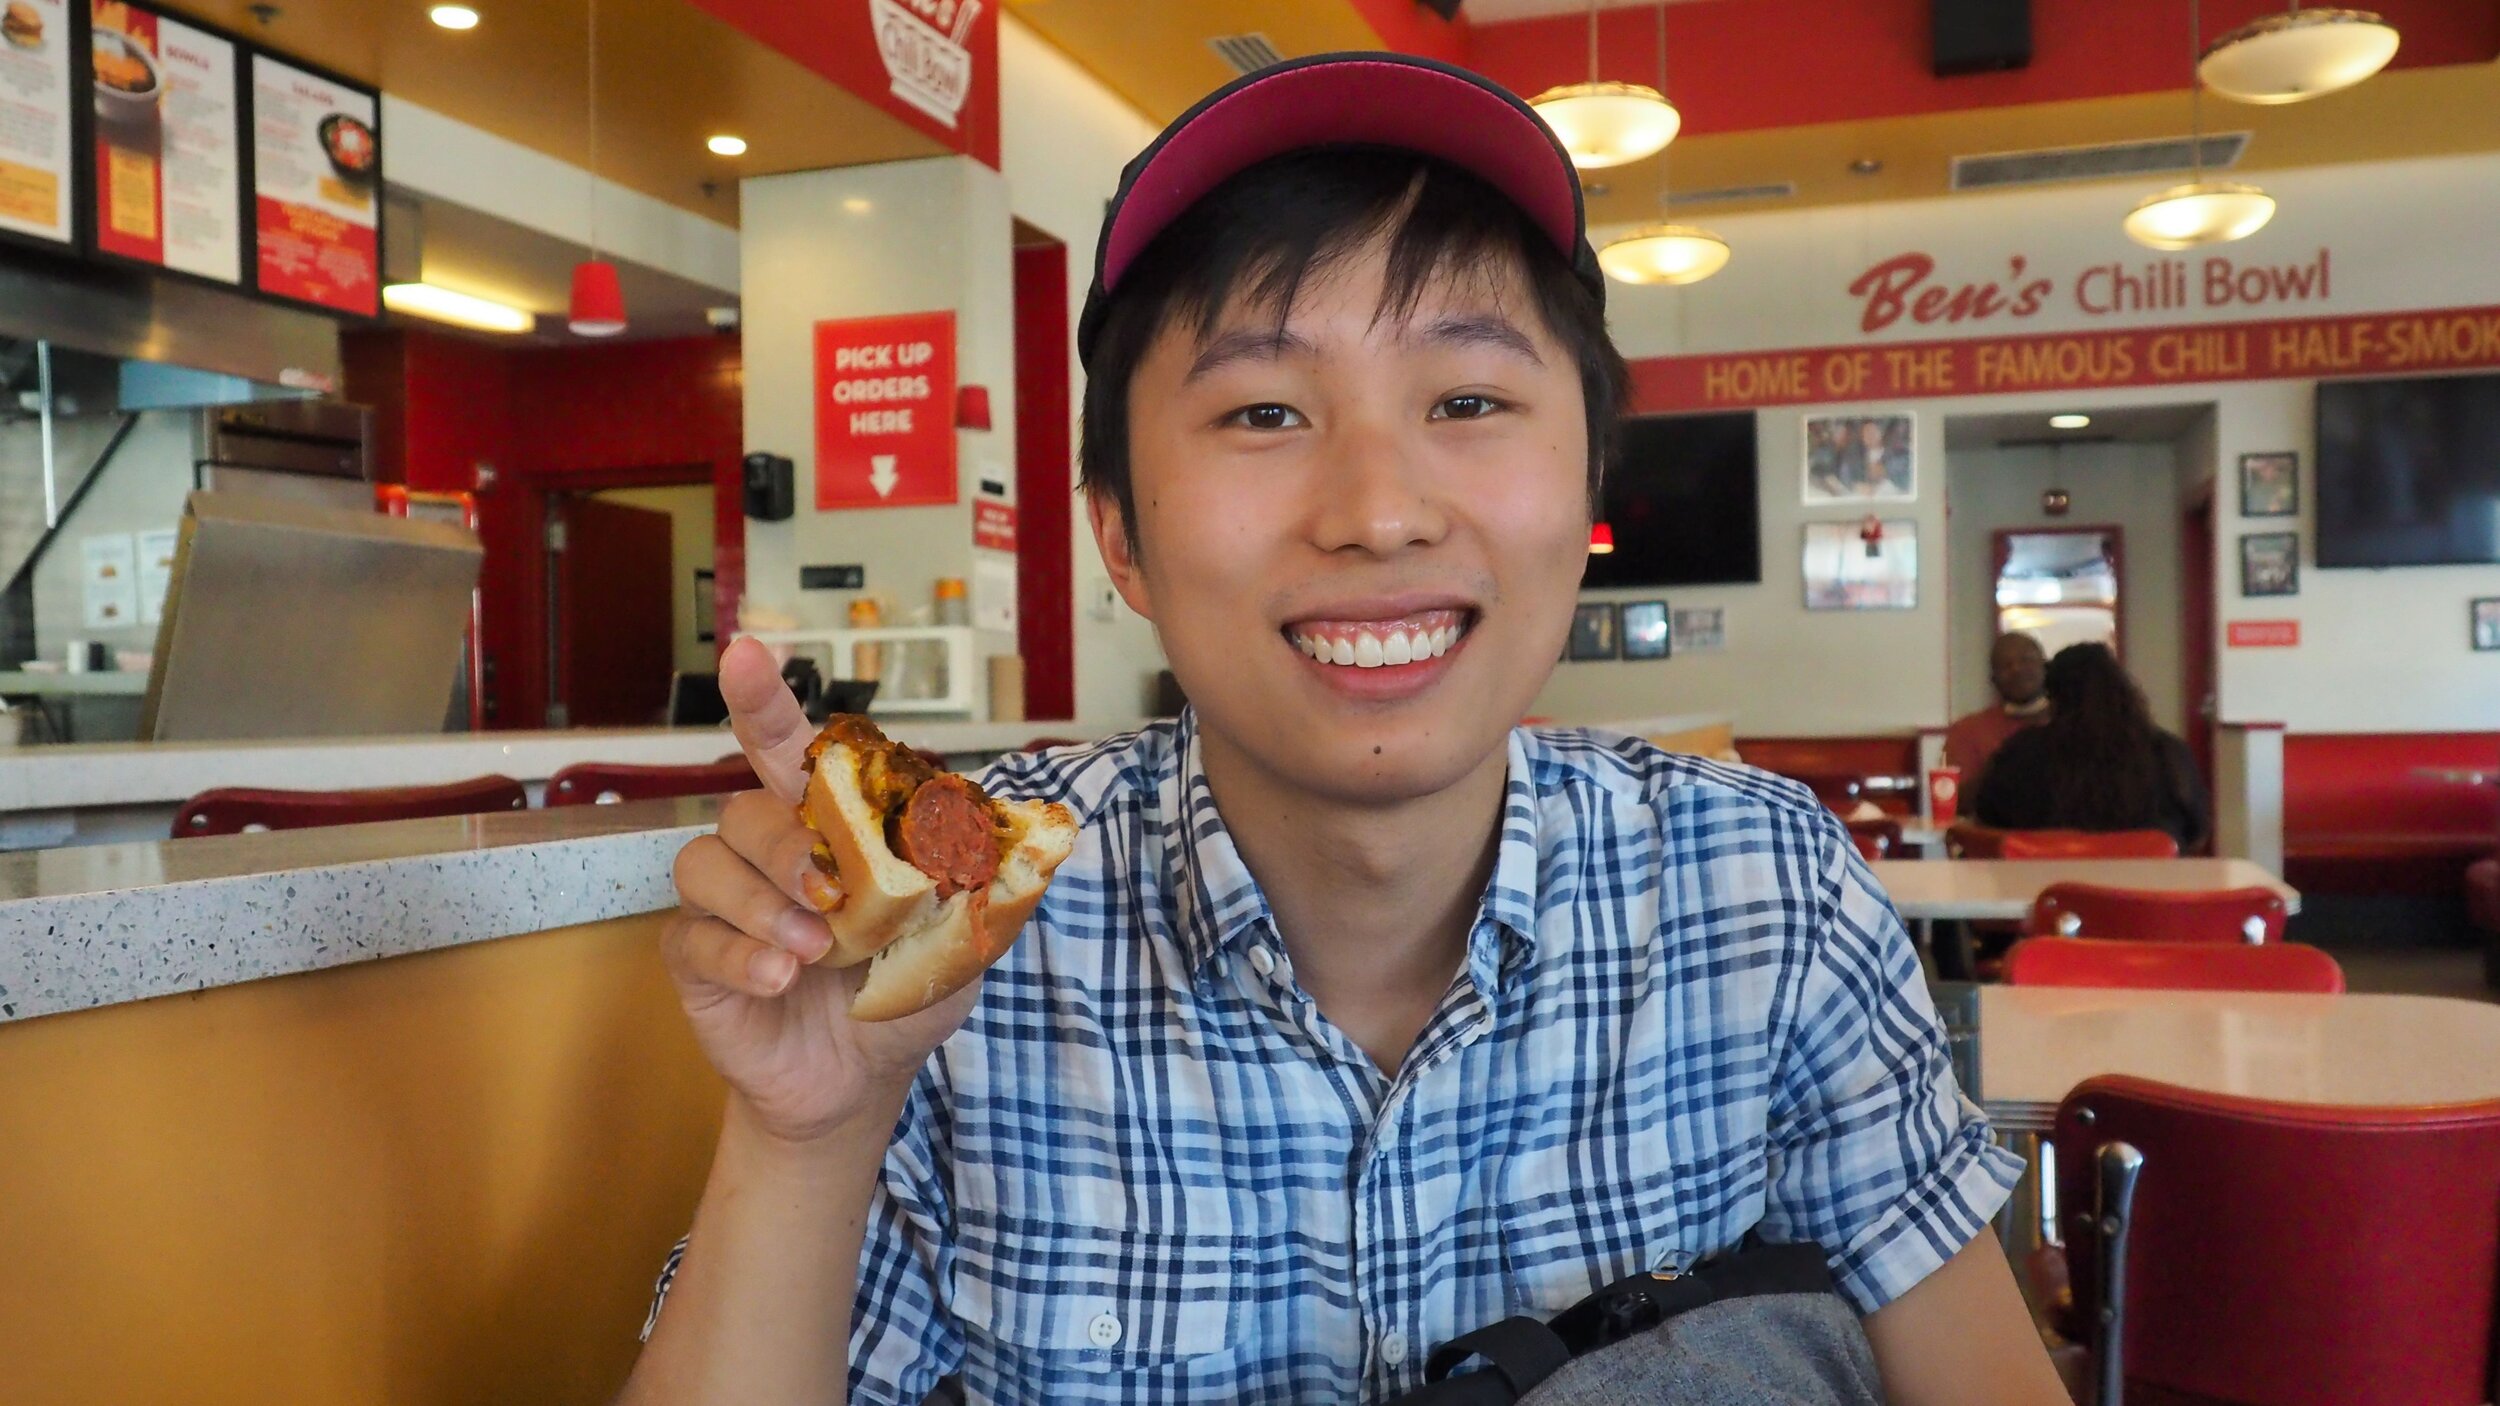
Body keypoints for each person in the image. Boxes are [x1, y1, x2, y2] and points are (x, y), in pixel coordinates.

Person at [622, 53, 2064, 1406]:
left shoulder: (1767, 893)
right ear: (1120, 535)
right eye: (1261, 412)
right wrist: (804, 1137)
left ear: (1584, 498)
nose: (1378, 509)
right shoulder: (962, 934)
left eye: (1468, 397)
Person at [1973, 642, 2210, 853]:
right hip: (2148, 894)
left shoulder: (2021, 753)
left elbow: (1988, 818)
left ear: (2053, 698)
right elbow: (2197, 833)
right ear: (2123, 688)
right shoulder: (2167, 752)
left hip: (2049, 893)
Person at [1943, 632, 2049, 788]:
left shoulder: (2072, 723)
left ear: (2045, 667)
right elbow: (1955, 799)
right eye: (2005, 665)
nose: (2016, 670)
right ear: (1993, 679)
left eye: (2026, 660)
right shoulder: (1967, 731)